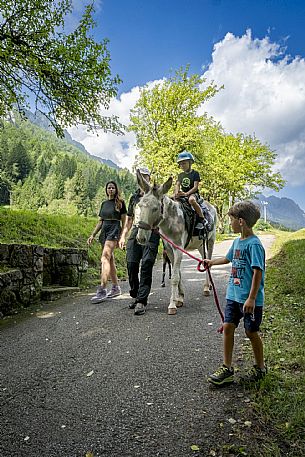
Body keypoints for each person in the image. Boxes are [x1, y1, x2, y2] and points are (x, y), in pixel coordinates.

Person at [205, 201, 267, 386]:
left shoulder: (254, 245)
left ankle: (260, 368)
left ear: (240, 221)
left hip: (249, 300)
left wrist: (252, 298)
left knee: (251, 331)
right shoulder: (236, 242)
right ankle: (227, 368)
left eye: (231, 220)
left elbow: (258, 272)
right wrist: (211, 262)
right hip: (233, 296)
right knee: (228, 328)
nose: (229, 223)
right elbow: (228, 258)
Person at [118, 167, 160, 316]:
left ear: (149, 178)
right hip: (136, 230)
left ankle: (142, 300)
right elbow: (129, 219)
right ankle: (136, 295)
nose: (142, 179)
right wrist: (124, 235)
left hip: (152, 231)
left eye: (145, 176)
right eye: (140, 177)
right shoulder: (134, 197)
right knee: (131, 263)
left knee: (147, 264)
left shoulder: (156, 195)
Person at [88, 181, 127, 303]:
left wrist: (122, 237)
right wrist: (92, 235)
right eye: (109, 188)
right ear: (106, 190)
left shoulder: (120, 203)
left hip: (114, 230)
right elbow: (100, 221)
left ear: (116, 190)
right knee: (110, 260)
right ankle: (115, 288)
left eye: (113, 188)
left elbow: (124, 221)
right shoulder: (104, 204)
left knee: (104, 258)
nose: (110, 189)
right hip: (104, 231)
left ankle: (102, 290)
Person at [174, 150, 206, 230]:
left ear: (190, 163)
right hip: (184, 193)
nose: (182, 166)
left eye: (184, 163)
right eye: (180, 164)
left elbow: (195, 187)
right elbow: (177, 185)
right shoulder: (180, 175)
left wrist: (186, 194)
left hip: (193, 194)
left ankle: (201, 219)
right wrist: (176, 193)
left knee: (191, 200)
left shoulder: (195, 174)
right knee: (169, 199)